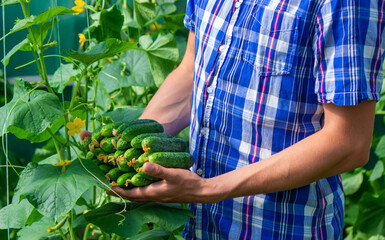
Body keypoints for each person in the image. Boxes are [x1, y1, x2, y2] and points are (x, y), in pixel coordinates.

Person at [107, 0, 385, 239]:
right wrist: (122, 146)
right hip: (201, 224)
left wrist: (207, 189)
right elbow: (192, 69)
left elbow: (349, 141)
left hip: (281, 228)